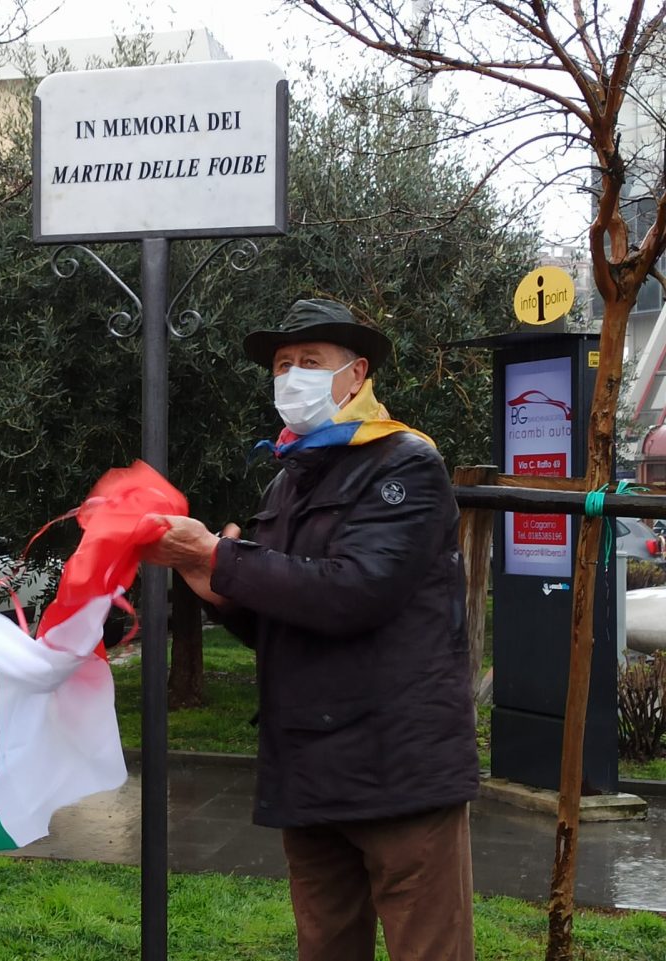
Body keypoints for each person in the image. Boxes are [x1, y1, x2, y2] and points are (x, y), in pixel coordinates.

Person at [145, 298, 479, 961]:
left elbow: (355, 592)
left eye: (309, 360)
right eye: (282, 364)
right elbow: (288, 617)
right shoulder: (288, 479)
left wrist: (224, 559)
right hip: (311, 767)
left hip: (398, 768)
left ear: (356, 375)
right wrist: (213, 584)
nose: (291, 376)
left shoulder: (405, 463)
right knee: (324, 946)